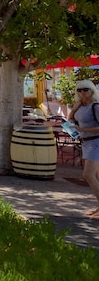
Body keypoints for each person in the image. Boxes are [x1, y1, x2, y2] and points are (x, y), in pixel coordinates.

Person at [69, 79, 99, 218]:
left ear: (92, 90)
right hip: (86, 142)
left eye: (85, 90)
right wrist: (74, 109)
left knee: (88, 175)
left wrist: (82, 129)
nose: (82, 93)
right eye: (79, 90)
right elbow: (70, 120)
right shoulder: (80, 106)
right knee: (96, 176)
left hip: (95, 142)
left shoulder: (96, 106)